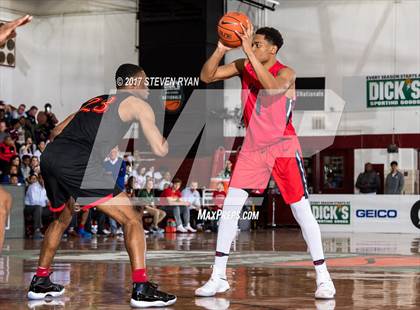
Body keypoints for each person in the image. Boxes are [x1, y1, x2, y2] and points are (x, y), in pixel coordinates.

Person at [195, 26, 335, 299]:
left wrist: (247, 52)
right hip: (253, 148)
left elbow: (271, 89)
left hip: (283, 146)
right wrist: (222, 49)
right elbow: (206, 76)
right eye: (252, 43)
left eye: (258, 44)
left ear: (273, 49)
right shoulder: (243, 65)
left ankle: (324, 279)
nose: (252, 46)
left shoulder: (286, 73)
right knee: (230, 209)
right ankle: (218, 276)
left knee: (301, 211)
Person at [27, 63, 176, 307]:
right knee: (132, 218)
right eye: (145, 80)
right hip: (77, 162)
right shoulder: (138, 104)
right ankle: (141, 288)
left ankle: (40, 280)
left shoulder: (94, 101)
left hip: (52, 157)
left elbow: (55, 131)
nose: (148, 86)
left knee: (61, 219)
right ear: (132, 83)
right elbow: (160, 149)